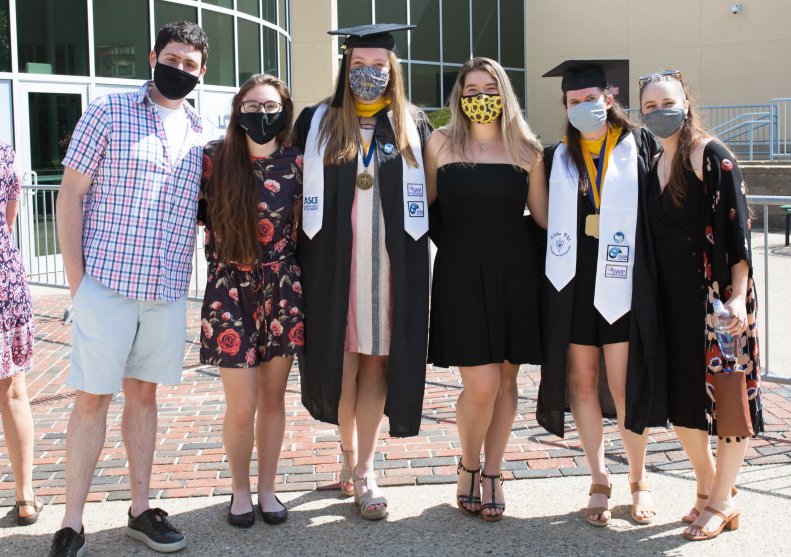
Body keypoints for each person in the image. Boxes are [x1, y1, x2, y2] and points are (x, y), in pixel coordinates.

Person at [43, 21, 209, 557]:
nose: (179, 69)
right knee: (92, 400)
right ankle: (70, 525)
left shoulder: (199, 127)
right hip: (107, 287)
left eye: (190, 64)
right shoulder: (108, 111)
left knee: (143, 399)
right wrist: (77, 283)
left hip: (164, 292)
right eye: (173, 58)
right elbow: (69, 195)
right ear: (152, 57)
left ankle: (140, 509)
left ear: (201, 72)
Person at [291, 23, 432, 520]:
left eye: (377, 67)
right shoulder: (317, 122)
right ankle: (348, 457)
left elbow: (435, 196)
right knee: (341, 361)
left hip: (392, 267)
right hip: (333, 265)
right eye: (358, 67)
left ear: (392, 71)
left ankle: (366, 467)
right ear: (344, 70)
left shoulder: (413, 124)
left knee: (376, 362)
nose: (368, 75)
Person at [628, 70, 763, 540]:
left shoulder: (710, 154)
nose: (658, 112)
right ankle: (708, 488)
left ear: (686, 102)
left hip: (716, 302)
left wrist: (737, 297)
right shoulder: (653, 162)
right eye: (648, 106)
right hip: (670, 301)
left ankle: (724, 500)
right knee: (685, 401)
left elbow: (736, 230)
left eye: (667, 101)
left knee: (727, 401)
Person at [537, 60, 659, 527]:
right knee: (583, 383)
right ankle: (598, 477)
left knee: (624, 385)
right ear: (565, 107)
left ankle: (639, 478)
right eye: (574, 101)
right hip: (574, 280)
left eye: (592, 98)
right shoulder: (557, 158)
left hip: (624, 278)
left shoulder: (639, 145)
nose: (584, 107)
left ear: (609, 98)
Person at [425, 57, 547, 522]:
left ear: (505, 94)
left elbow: (543, 218)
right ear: (459, 97)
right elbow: (421, 210)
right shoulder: (439, 143)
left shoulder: (527, 149)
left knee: (508, 379)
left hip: (515, 272)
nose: (480, 98)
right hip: (460, 273)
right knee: (481, 385)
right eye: (471, 89)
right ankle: (468, 463)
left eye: (489, 88)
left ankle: (493, 472)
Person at [198, 74, 303, 528]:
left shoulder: (299, 162)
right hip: (229, 290)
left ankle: (267, 489)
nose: (262, 115)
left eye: (271, 107)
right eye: (253, 106)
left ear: (284, 112)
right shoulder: (213, 160)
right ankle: (239, 490)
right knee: (242, 406)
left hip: (282, 288)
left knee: (274, 399)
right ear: (238, 110)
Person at [0, 142, 40, 527]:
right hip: (3, 275)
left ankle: (26, 493)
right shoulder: (3, 152)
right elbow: (8, 219)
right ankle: (25, 495)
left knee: (13, 390)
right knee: (13, 391)